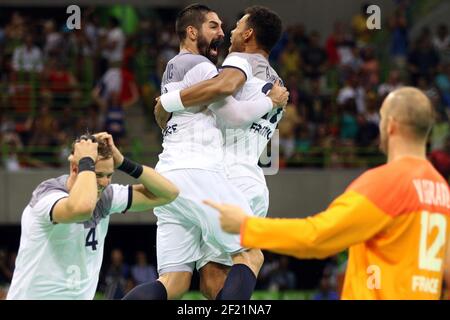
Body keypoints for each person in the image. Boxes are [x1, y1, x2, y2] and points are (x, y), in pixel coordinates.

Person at [205, 87, 450, 299]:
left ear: (391, 125)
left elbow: (318, 237)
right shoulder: (442, 190)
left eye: (382, 118)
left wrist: (246, 227)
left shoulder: (387, 183)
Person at [123, 4, 287, 301]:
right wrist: (271, 101)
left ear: (248, 34)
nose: (227, 32)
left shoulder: (234, 62)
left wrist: (167, 103)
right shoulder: (277, 83)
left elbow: (224, 101)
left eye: (234, 26)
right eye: (216, 26)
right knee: (213, 277)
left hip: (206, 173)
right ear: (191, 31)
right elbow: (223, 103)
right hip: (230, 174)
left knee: (180, 279)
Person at [7, 132, 179, 299]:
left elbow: (168, 193)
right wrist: (86, 162)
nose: (105, 182)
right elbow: (82, 208)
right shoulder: (48, 196)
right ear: (76, 168)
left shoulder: (105, 197)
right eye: (97, 175)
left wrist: (123, 163)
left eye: (109, 175)